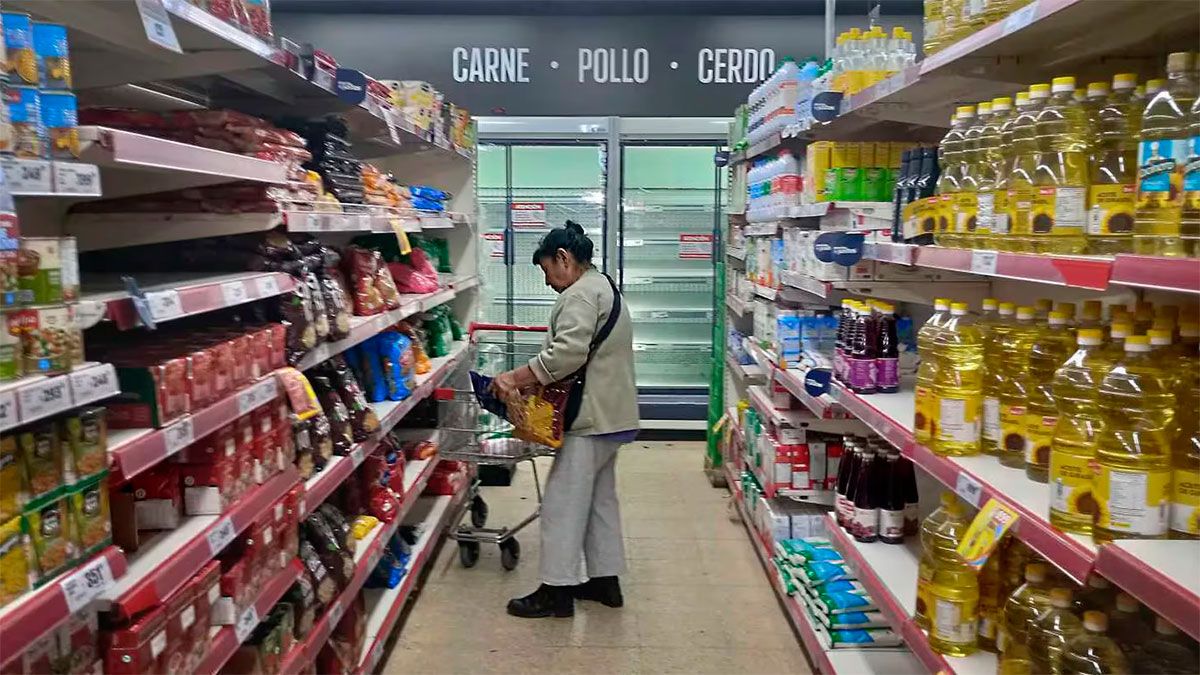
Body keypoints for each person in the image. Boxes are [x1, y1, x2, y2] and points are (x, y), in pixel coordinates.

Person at [490, 220, 639, 619]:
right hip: (613, 414)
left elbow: (566, 355)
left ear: (563, 258)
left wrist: (513, 378)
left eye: (546, 270)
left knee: (561, 503)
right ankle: (606, 582)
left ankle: (555, 592)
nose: (547, 281)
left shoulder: (580, 294)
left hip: (590, 417)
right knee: (599, 500)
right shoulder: (602, 284)